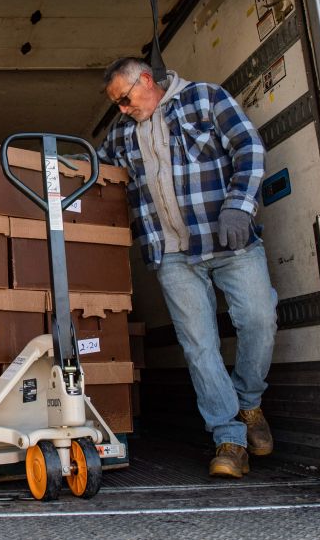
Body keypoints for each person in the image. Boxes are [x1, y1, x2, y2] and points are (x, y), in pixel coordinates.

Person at [96, 56, 278, 478]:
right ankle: (229, 439)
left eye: (124, 99)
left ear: (145, 80)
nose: (123, 110)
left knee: (259, 318)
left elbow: (248, 147)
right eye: (117, 105)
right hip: (172, 254)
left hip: (229, 240)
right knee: (199, 347)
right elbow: (96, 170)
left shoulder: (206, 98)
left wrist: (239, 206)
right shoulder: (122, 133)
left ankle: (249, 402)